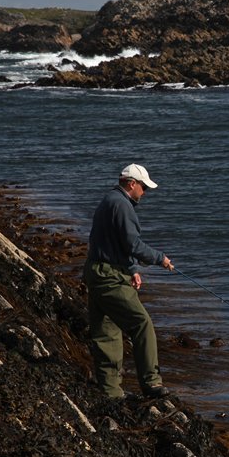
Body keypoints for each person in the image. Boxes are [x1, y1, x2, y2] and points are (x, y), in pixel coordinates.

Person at [83, 163, 174, 400]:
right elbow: (133, 245)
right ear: (131, 183)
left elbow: (110, 242)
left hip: (97, 272)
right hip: (109, 278)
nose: (145, 192)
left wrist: (132, 268)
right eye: (144, 187)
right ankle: (151, 383)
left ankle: (111, 392)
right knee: (141, 324)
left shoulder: (110, 200)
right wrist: (160, 258)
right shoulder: (122, 206)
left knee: (106, 332)